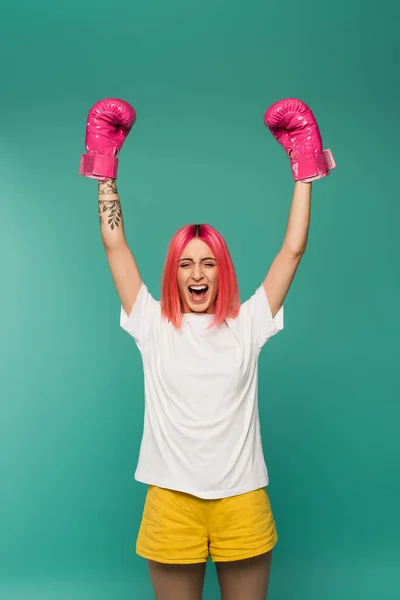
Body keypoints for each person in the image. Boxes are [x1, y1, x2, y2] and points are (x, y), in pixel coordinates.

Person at [79, 97, 335, 600]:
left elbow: (292, 250)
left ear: (222, 272)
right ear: (173, 272)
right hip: (171, 506)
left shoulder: (250, 323)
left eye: (209, 263)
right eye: (186, 263)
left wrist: (304, 168)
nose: (197, 273)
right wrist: (104, 167)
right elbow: (116, 246)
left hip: (242, 504)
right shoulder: (150, 322)